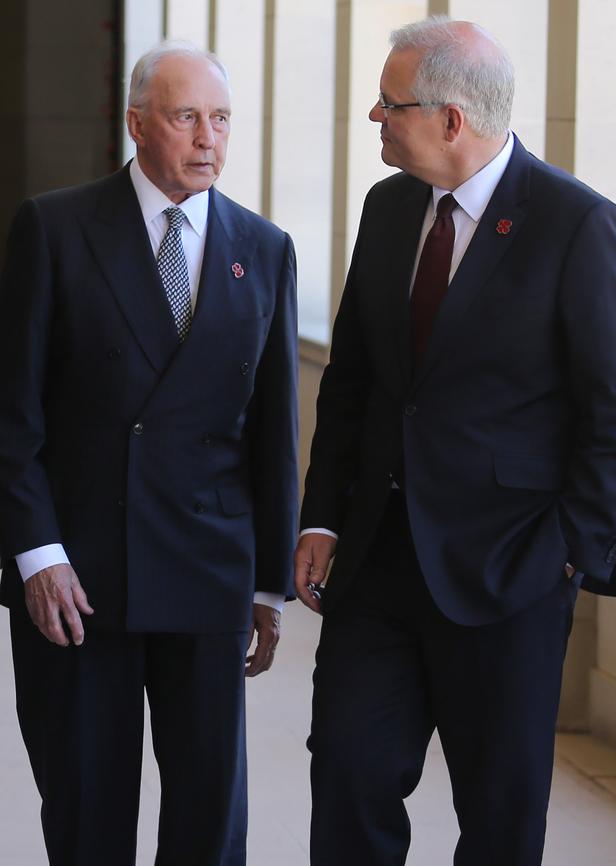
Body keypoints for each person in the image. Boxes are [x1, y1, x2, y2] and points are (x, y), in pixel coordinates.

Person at [294, 14, 616, 866]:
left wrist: (568, 553)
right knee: (347, 771)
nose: (375, 119)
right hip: (376, 563)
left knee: (498, 812)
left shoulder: (577, 225)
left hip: (509, 573)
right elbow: (351, 383)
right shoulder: (385, 209)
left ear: (451, 119)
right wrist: (320, 518)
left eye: (390, 104)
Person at [0, 41, 297, 866]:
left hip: (208, 569)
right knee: (88, 809)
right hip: (78, 577)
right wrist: (36, 554)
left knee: (210, 816)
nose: (209, 139)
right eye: (186, 117)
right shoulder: (55, 228)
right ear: (137, 124)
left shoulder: (264, 247)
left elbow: (275, 431)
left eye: (223, 120)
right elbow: (12, 410)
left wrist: (268, 585)